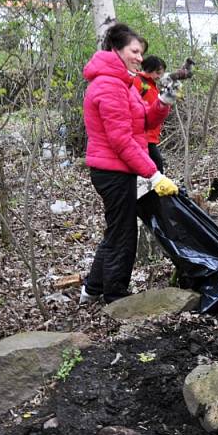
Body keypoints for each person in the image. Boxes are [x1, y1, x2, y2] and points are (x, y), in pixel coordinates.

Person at [81, 23, 180, 304]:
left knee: (117, 229)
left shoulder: (126, 83)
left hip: (120, 169)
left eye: (141, 53)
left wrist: (164, 100)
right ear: (117, 51)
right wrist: (154, 175)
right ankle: (115, 296)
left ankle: (92, 288)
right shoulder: (109, 86)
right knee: (123, 233)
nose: (140, 57)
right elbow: (121, 141)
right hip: (112, 172)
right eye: (134, 51)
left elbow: (145, 122)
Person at [133, 55, 167, 172]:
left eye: (161, 73)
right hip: (141, 135)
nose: (159, 76)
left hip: (151, 135)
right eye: (157, 72)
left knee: (152, 171)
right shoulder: (137, 81)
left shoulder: (152, 86)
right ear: (149, 68)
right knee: (157, 169)